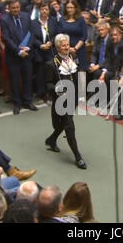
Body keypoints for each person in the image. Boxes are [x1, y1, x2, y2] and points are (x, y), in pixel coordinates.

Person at [45, 33, 87, 170]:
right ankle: (78, 157)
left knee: (64, 124)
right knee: (70, 126)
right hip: (61, 101)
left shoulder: (74, 57)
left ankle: (51, 140)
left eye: (67, 45)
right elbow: (48, 84)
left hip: (73, 97)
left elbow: (78, 74)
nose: (66, 47)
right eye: (63, 46)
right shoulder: (52, 65)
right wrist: (57, 89)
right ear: (57, 47)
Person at [1, 0, 38, 115]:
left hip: (27, 54)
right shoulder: (4, 20)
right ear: (9, 8)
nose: (16, 10)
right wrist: (18, 51)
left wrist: (27, 47)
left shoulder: (27, 17)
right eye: (13, 8)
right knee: (15, 81)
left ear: (20, 7)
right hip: (13, 56)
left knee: (28, 78)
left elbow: (32, 33)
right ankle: (17, 103)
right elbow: (6, 38)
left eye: (17, 7)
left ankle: (27, 101)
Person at [32, 1, 58, 104]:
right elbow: (32, 37)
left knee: (50, 74)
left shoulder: (53, 21)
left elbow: (56, 34)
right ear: (39, 11)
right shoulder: (34, 22)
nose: (44, 11)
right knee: (40, 73)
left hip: (50, 51)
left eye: (46, 9)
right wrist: (40, 45)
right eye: (42, 9)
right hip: (38, 51)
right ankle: (41, 94)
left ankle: (50, 94)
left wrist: (50, 42)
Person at [57, 0, 88, 72]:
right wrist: (67, 48)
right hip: (65, 51)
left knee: (81, 74)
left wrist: (75, 48)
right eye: (67, 7)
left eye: (71, 7)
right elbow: (59, 36)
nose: (69, 10)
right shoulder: (62, 20)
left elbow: (84, 36)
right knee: (68, 74)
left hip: (79, 50)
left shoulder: (81, 20)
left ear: (75, 8)